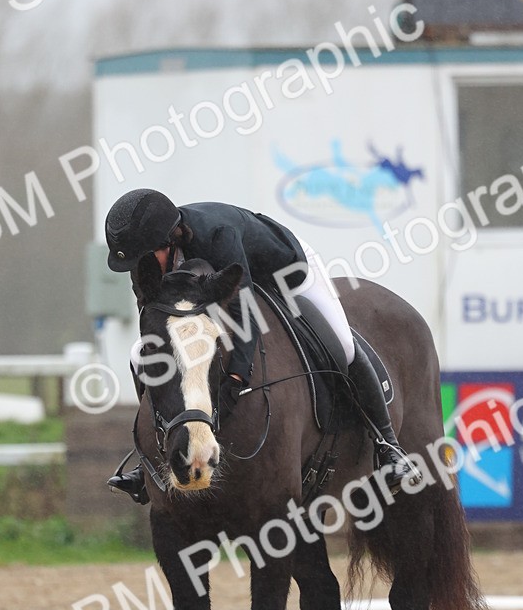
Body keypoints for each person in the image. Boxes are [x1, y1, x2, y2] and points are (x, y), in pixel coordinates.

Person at [104, 188, 419, 503]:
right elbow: (156, 328)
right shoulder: (148, 261)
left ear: (168, 242)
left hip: (288, 270)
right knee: (138, 355)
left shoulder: (218, 235)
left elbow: (245, 315)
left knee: (344, 345)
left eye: (143, 259)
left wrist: (238, 376)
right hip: (236, 278)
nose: (138, 269)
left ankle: (388, 446)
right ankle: (151, 452)